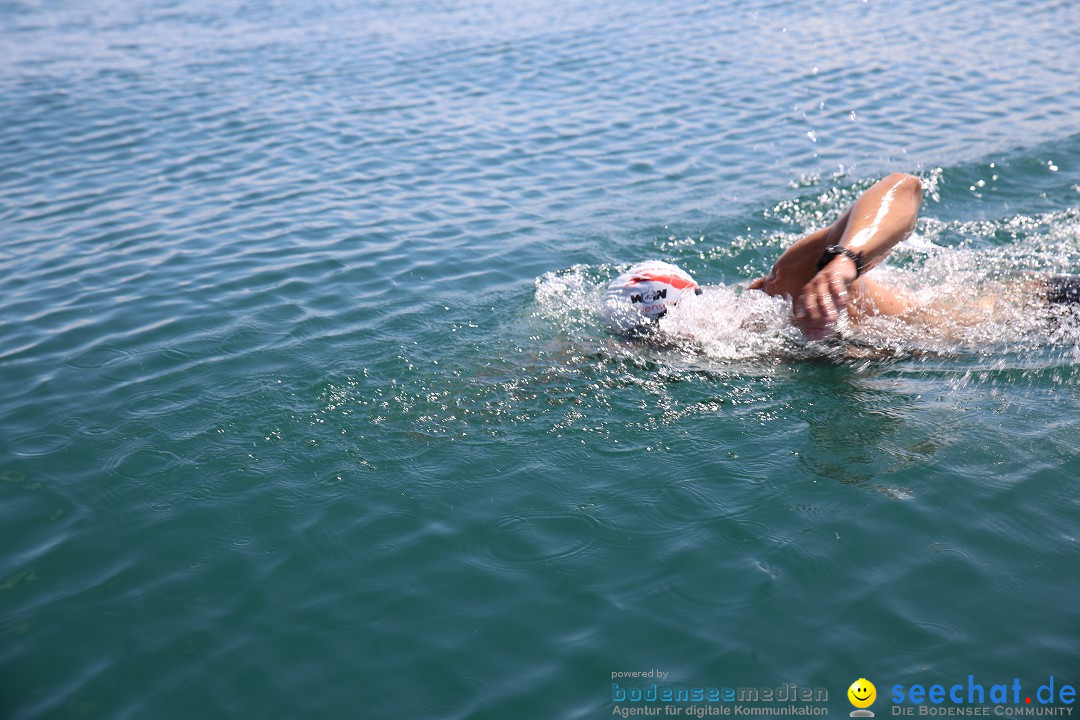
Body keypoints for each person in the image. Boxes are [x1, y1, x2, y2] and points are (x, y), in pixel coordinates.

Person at [603, 172, 1078, 341]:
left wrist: (844, 259)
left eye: (665, 331)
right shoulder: (730, 346)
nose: (666, 345)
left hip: (1039, 312)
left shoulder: (786, 280)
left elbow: (902, 186)